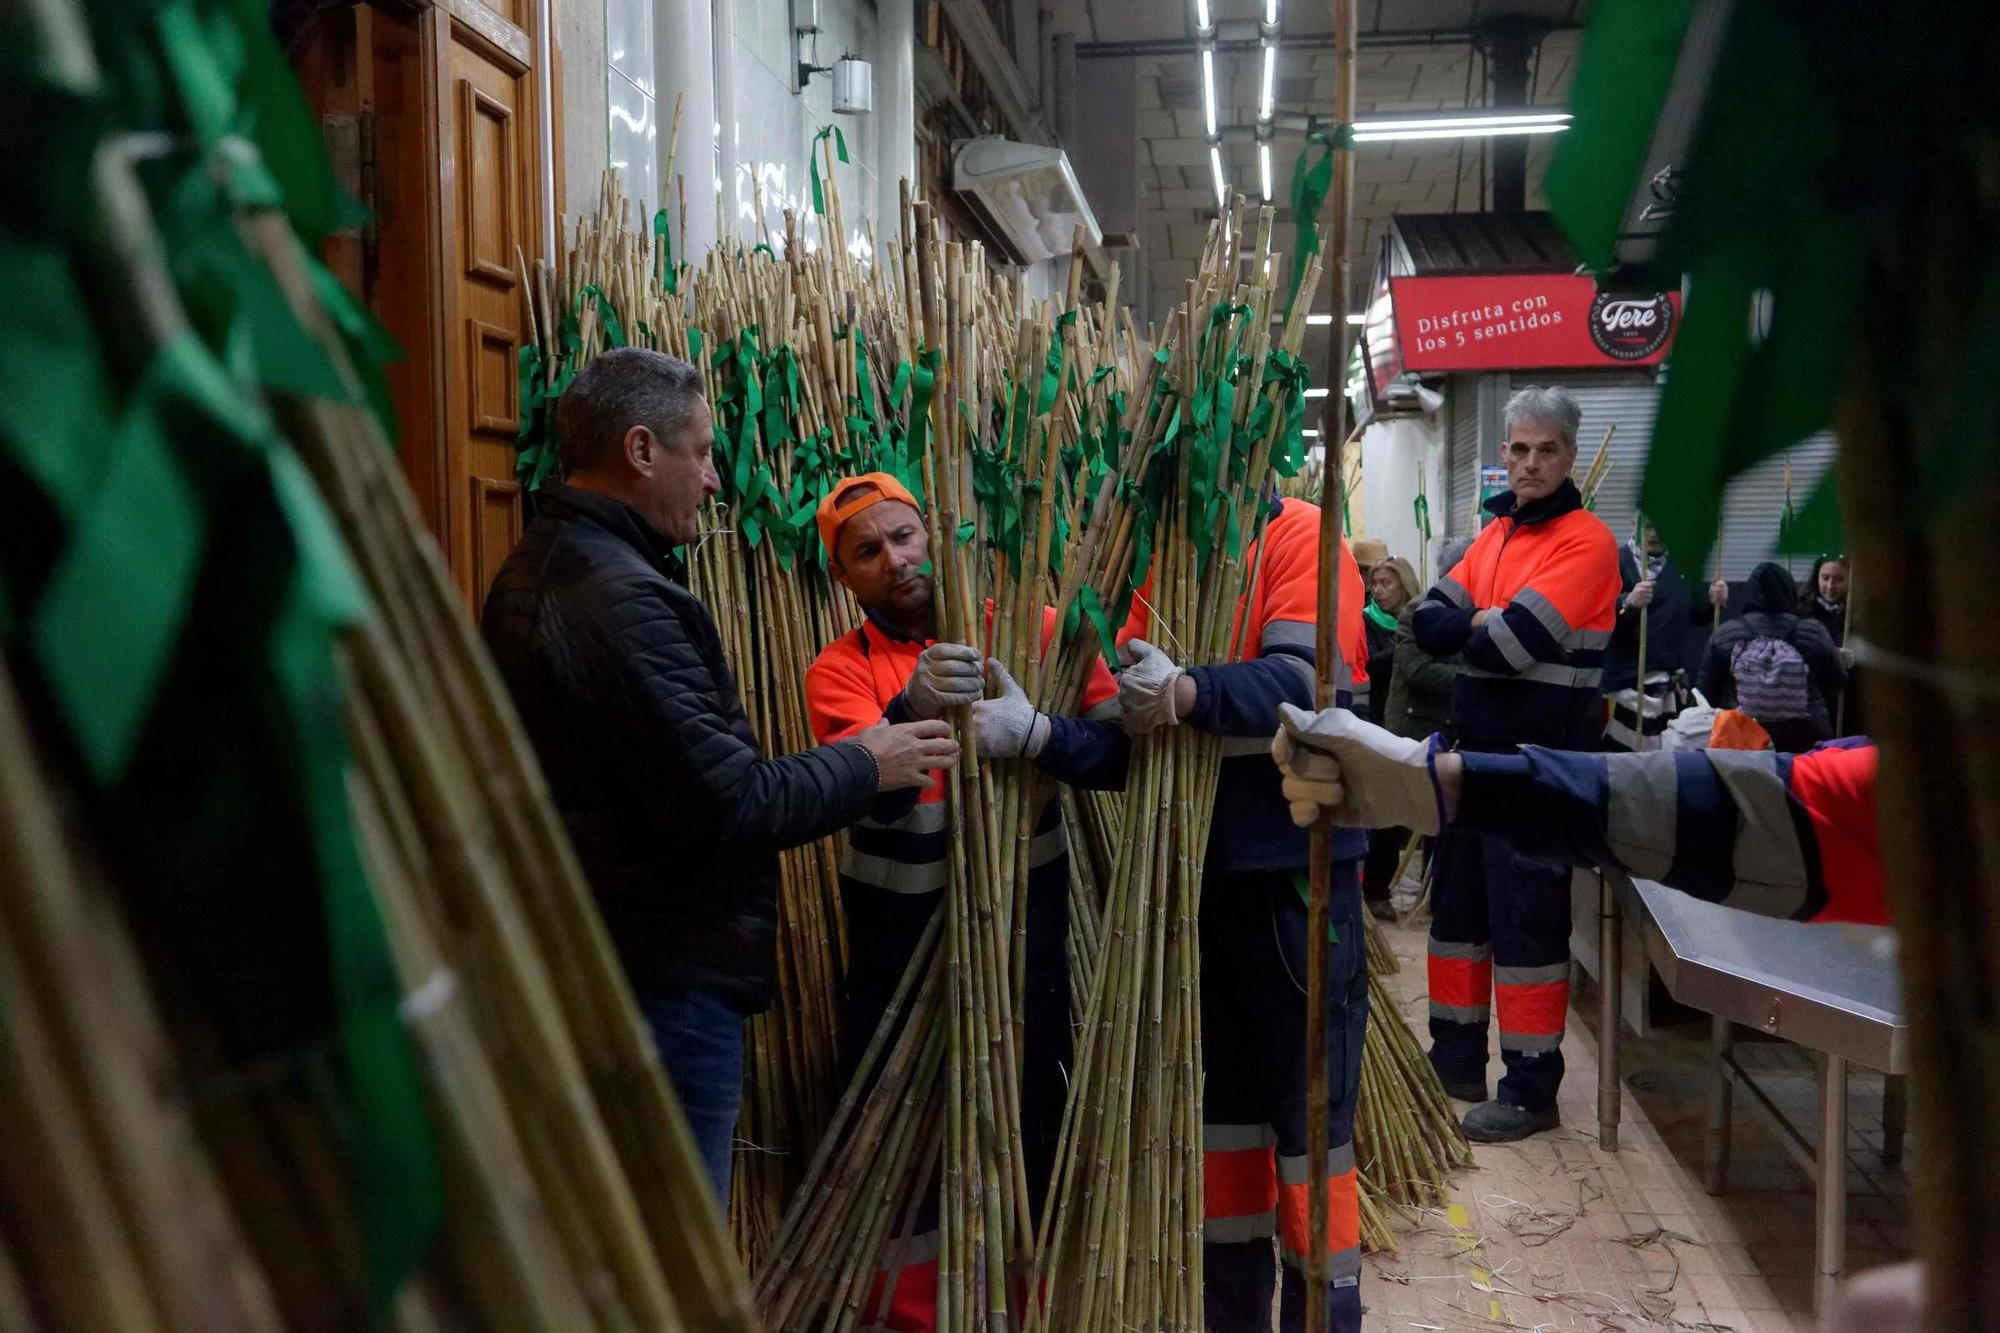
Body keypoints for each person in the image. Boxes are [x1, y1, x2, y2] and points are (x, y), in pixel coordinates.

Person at [480, 349, 960, 1209]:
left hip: (622, 956)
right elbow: (730, 800)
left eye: (904, 535)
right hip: (661, 977)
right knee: (681, 1239)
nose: (712, 480)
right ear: (639, 450)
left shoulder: (565, 567)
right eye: (700, 453)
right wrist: (870, 757)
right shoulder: (613, 597)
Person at [802, 472, 1125, 1331]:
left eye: (904, 536)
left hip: (1028, 947)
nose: (895, 561)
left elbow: (1121, 754)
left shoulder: (1040, 632)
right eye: (866, 552)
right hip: (899, 957)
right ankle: (913, 1317)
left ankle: (1027, 1311)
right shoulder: (841, 672)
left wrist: (1041, 733)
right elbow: (862, 796)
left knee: (1029, 1124)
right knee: (906, 1149)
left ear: (940, 533)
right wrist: (908, 709)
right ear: (844, 577)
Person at [1116, 493, 1372, 1333]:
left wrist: (1188, 690)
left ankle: (1320, 1321)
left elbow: (1302, 680)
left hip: (1293, 880)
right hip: (1199, 884)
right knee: (1222, 1131)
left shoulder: (1297, 532)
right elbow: (1122, 707)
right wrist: (1040, 732)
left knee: (1310, 1130)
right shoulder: (1159, 544)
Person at [1407, 385, 1620, 1142]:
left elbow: (1507, 642)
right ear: (1503, 455)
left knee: (1529, 930)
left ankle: (1531, 1088)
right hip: (1470, 764)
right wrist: (1479, 621)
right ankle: (1455, 1057)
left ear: (1568, 454)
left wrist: (1472, 623)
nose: (1530, 464)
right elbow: (1419, 623)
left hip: (1539, 771)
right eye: (1519, 449)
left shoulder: (1588, 543)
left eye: (1546, 450)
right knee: (1458, 920)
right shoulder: (1492, 539)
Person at [1698, 561, 1846, 753]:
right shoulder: (1814, 631)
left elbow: (1705, 694)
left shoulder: (1726, 633)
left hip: (1742, 741)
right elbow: (1837, 682)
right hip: (1805, 740)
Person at [1602, 522, 1709, 751]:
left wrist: (1714, 599)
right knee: (1626, 759)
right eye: (1648, 526)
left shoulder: (1683, 565)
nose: (1654, 534)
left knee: (1666, 759)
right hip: (1627, 684)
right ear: (1633, 524)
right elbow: (1594, 612)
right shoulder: (1614, 561)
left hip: (1671, 685)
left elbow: (1698, 615)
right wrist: (1627, 602)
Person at [1361, 557, 1419, 915]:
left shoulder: (1418, 618)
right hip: (1380, 720)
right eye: (1376, 583)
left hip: (1414, 724)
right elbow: (1369, 665)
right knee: (1382, 811)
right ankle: (1375, 887)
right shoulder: (1367, 622)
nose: (1379, 591)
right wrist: (1403, 649)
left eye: (1387, 583)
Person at [1802, 554, 1863, 734]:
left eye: (1839, 579)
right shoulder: (1803, 611)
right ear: (1816, 578)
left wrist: (1856, 661)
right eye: (1825, 578)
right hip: (1816, 699)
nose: (1830, 586)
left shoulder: (1861, 613)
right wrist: (1830, 658)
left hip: (1851, 700)